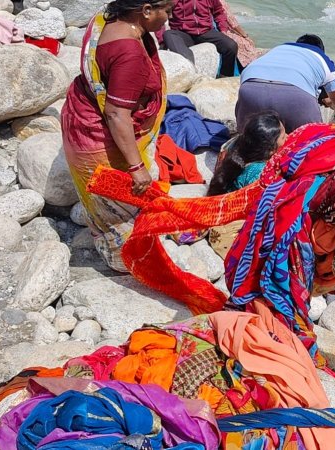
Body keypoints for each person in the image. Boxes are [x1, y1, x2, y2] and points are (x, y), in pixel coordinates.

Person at [61, 0, 172, 272]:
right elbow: (115, 114)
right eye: (166, 11)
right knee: (118, 212)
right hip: (99, 131)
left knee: (116, 201)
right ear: (145, 11)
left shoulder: (109, 19)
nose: (168, 20)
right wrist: (136, 168)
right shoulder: (130, 53)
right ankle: (118, 256)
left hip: (83, 114)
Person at [235, 34, 335, 133]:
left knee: (248, 139)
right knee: (311, 142)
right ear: (321, 50)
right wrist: (330, 102)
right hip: (296, 97)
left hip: (250, 89)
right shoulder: (323, 58)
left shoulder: (278, 49)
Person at [208, 111, 286, 195]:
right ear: (271, 149)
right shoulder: (259, 173)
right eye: (283, 137)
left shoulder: (236, 145)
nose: (288, 136)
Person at [163, 0, 239, 77]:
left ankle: (225, 77)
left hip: (206, 32)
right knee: (168, 34)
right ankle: (190, 65)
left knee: (231, 46)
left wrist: (223, 29)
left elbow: (219, 12)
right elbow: (162, 12)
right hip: (183, 33)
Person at [217, 0, 262, 67]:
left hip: (214, 29)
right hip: (222, 30)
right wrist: (245, 35)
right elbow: (232, 23)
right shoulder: (221, 2)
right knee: (246, 43)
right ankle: (247, 66)